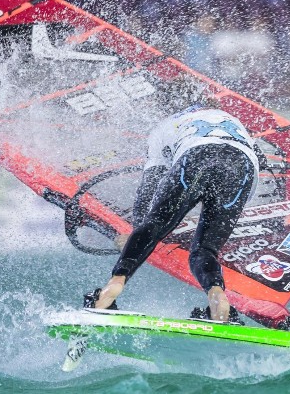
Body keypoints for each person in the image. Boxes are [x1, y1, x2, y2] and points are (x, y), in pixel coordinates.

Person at [88, 88, 261, 322]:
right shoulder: (231, 120)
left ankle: (110, 291)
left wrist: (136, 232)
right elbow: (252, 161)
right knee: (204, 251)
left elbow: (149, 189)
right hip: (243, 168)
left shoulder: (165, 127)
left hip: (196, 156)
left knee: (153, 227)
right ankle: (219, 303)